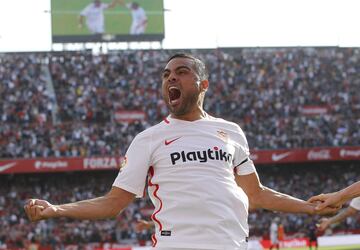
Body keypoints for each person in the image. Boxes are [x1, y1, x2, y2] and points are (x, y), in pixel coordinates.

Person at [24, 53, 339, 250]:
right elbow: (112, 203)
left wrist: (309, 208)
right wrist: (57, 209)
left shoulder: (231, 131)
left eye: (182, 71)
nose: (171, 77)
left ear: (203, 85)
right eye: (166, 74)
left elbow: (256, 195)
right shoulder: (149, 139)